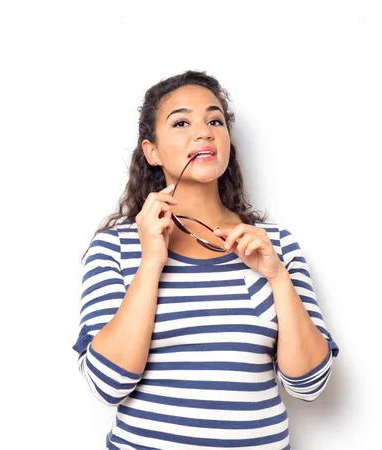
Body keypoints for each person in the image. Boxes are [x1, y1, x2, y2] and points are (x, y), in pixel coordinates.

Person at [72, 70, 339, 449]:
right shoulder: (115, 248)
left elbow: (310, 385)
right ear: (152, 152)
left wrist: (277, 278)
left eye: (215, 120)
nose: (204, 132)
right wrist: (151, 263)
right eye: (182, 122)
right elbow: (107, 383)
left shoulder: (274, 245)